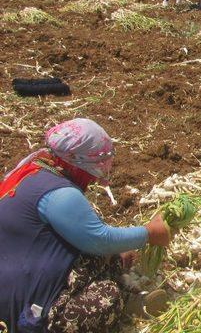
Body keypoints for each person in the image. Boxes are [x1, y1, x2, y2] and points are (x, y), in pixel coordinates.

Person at [0, 119, 172, 333]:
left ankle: (125, 296)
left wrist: (115, 253)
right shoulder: (60, 195)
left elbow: (86, 236)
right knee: (106, 297)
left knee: (105, 256)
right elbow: (100, 239)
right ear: (76, 160)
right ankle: (123, 306)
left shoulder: (33, 169)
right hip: (19, 302)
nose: (93, 179)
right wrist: (148, 233)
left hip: (18, 269)